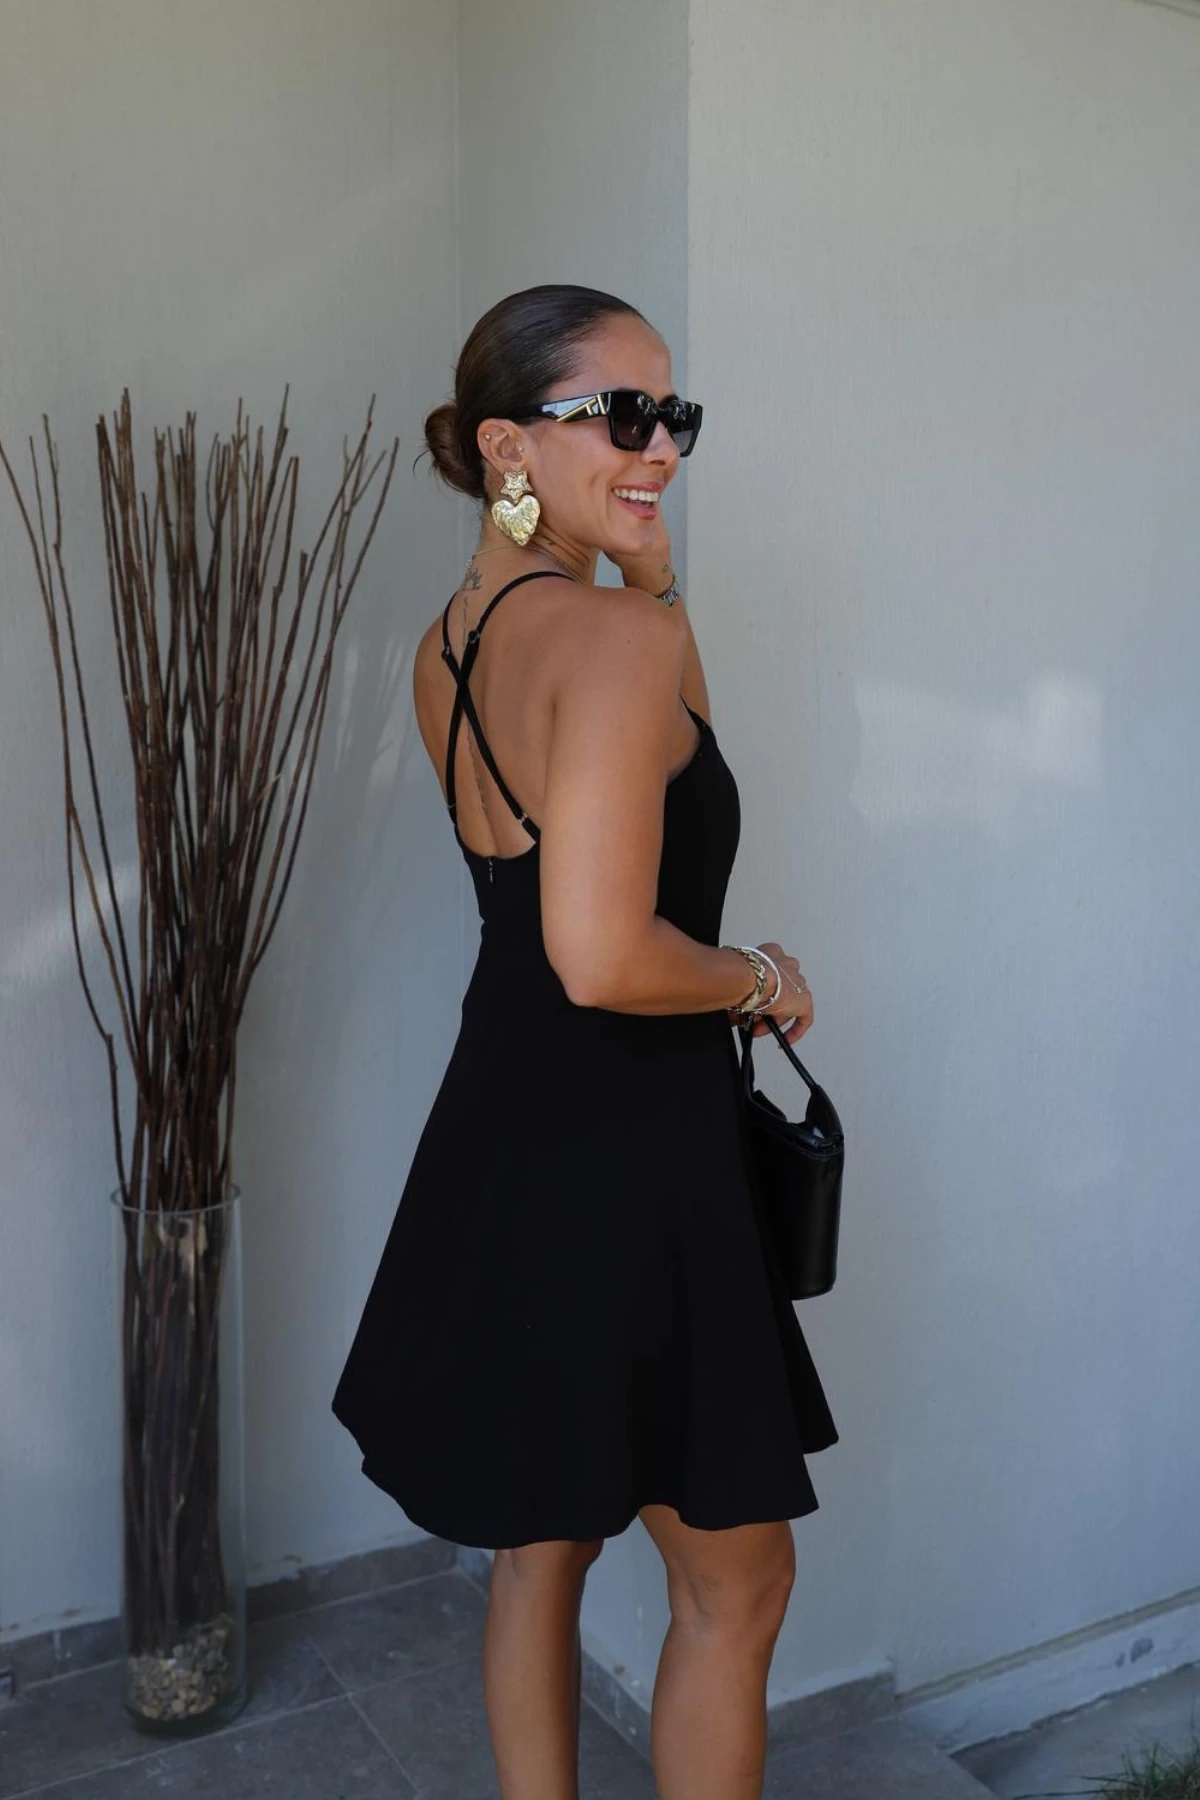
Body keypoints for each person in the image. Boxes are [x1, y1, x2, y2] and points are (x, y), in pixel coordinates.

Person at [331, 283, 838, 1800]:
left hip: (504, 1127)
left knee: (537, 1552)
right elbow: (607, 953)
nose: (659, 446)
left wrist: (653, 575)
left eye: (673, 417)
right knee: (738, 1586)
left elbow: (666, 759)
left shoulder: (451, 643)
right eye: (622, 415)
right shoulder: (606, 643)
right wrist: (756, 977)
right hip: (631, 1153)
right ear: (507, 445)